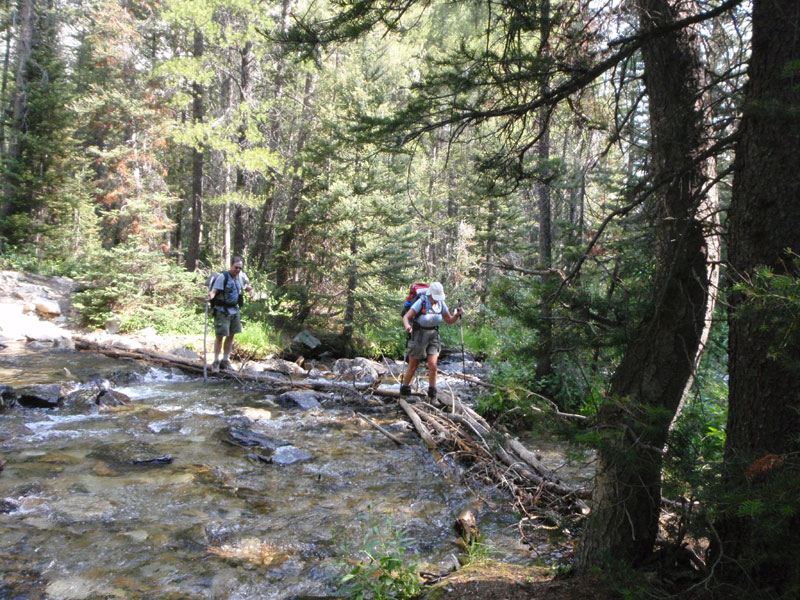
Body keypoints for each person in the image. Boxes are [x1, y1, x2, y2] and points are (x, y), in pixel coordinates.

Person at [400, 281, 463, 399]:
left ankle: (432, 395)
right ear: (430, 295)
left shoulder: (441, 304)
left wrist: (457, 315)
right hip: (418, 335)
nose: (437, 299)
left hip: (433, 335)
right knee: (413, 365)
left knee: (433, 365)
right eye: (435, 297)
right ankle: (404, 392)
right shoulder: (421, 302)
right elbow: (406, 317)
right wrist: (407, 326)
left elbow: (449, 320)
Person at [205, 256, 253, 371]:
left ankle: (225, 360)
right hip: (222, 311)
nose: (238, 270)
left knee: (231, 335)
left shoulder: (240, 276)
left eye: (240, 268)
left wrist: (251, 290)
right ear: (231, 266)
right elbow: (214, 291)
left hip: (235, 310)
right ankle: (216, 361)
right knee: (220, 336)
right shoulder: (223, 277)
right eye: (236, 267)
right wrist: (209, 296)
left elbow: (245, 287)